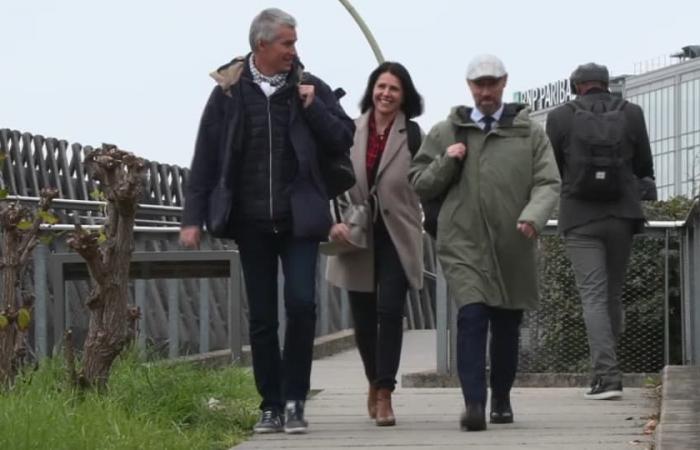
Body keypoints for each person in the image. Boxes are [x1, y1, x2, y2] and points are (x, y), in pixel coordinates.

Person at [179, 8, 354, 434]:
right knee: (262, 317)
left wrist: (314, 108)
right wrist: (192, 217)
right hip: (250, 220)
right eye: (287, 44)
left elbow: (344, 136)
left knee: (301, 305)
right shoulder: (229, 91)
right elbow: (206, 155)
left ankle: (295, 402)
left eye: (294, 43)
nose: (294, 51)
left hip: (299, 221)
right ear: (262, 45)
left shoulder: (311, 87)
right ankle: (270, 405)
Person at [409, 54, 560, 431]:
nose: (486, 91)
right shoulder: (447, 131)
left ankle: (502, 399)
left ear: (504, 83)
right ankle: (474, 404)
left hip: (513, 243)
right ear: (469, 87)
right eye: (479, 84)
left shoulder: (529, 132)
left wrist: (533, 215)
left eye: (492, 83)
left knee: (508, 327)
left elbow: (548, 181)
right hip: (464, 243)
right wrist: (447, 159)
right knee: (472, 317)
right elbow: (419, 182)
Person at [545, 62, 654, 400]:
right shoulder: (632, 113)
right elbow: (644, 167)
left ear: (576, 86)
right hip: (622, 214)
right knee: (612, 294)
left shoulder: (560, 116)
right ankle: (606, 371)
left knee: (592, 295)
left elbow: (553, 169)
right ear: (607, 85)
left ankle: (607, 377)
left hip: (580, 217)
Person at [325, 62, 424, 426]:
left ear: (404, 96)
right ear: (372, 90)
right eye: (381, 87)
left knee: (389, 310)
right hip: (357, 232)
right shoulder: (349, 131)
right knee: (364, 318)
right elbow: (329, 178)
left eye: (394, 89)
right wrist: (332, 222)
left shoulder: (412, 134)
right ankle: (372, 379)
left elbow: (426, 181)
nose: (386, 94)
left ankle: (385, 393)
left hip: (398, 234)